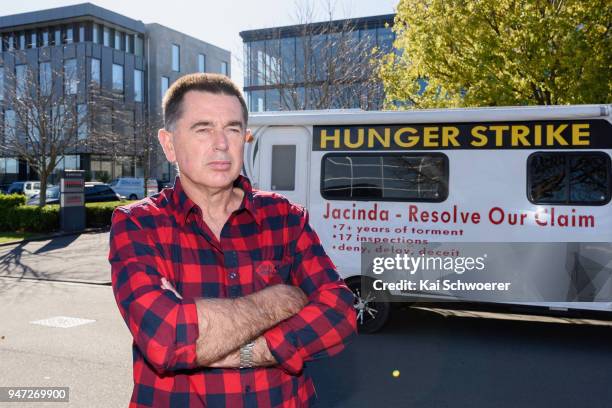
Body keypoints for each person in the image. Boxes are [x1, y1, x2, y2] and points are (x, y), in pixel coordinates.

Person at [108, 73, 357, 407]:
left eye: (233, 128)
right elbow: (166, 338)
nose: (221, 143)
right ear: (169, 144)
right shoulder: (139, 224)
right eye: (203, 128)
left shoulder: (284, 217)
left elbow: (340, 311)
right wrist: (281, 299)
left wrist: (253, 351)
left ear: (245, 138)